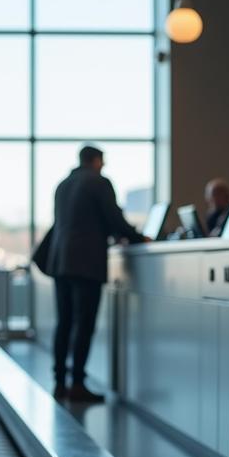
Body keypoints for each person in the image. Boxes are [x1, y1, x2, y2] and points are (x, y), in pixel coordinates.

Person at [47, 146, 146, 404]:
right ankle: (77, 383)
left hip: (60, 261)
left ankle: (59, 382)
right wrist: (138, 237)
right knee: (84, 324)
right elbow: (114, 218)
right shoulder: (99, 182)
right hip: (86, 263)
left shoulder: (63, 184)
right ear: (96, 160)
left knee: (65, 322)